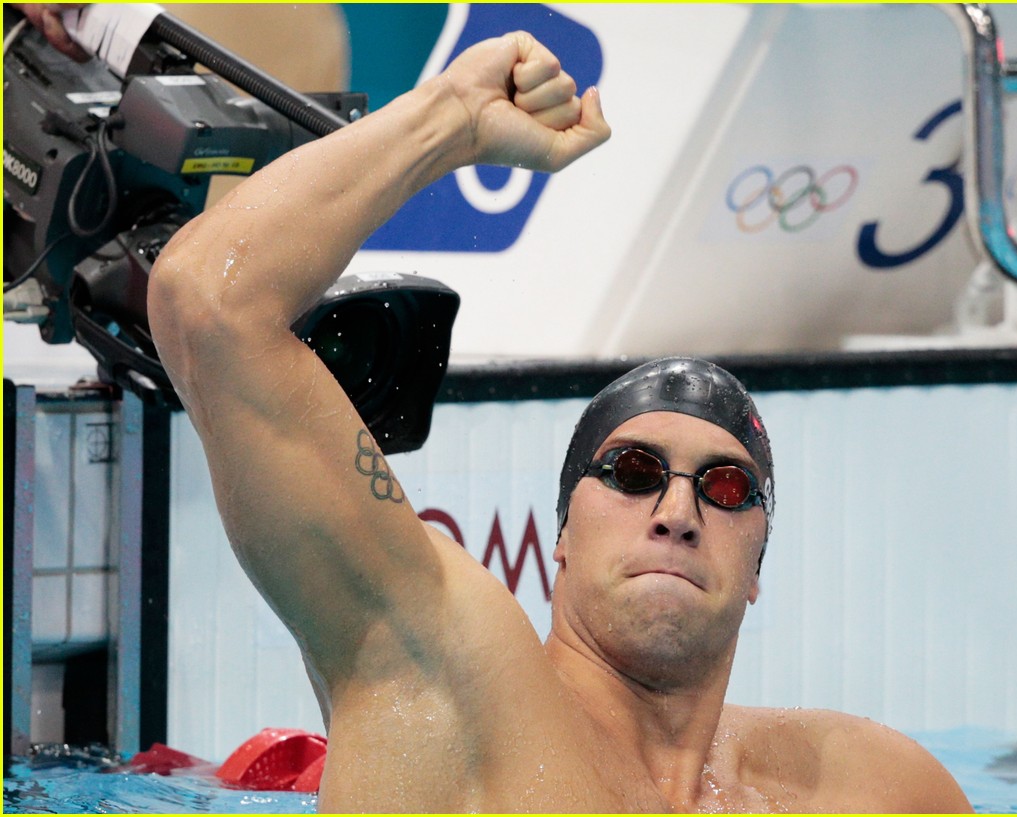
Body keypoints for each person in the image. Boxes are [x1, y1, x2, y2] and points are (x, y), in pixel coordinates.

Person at [31, 11, 969, 810]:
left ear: (758, 567)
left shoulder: (867, 783)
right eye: (634, 472)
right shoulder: (449, 673)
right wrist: (448, 122)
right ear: (560, 533)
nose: (679, 513)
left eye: (726, 488)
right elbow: (209, 300)